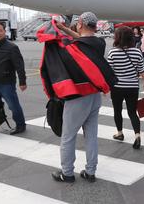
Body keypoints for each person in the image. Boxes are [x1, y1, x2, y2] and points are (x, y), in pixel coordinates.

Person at [46, 12, 117, 183]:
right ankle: (90, 171)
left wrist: (59, 30)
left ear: (79, 24)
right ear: (94, 26)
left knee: (68, 136)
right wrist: (64, 29)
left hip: (78, 96)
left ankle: (67, 172)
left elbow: (77, 41)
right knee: (91, 135)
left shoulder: (73, 47)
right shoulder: (99, 43)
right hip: (95, 95)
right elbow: (82, 39)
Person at [107, 26, 144, 149]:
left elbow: (110, 72)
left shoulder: (113, 52)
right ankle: (137, 135)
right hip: (132, 87)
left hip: (117, 87)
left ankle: (120, 133)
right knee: (132, 112)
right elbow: (142, 70)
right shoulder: (137, 52)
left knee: (117, 111)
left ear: (117, 38)